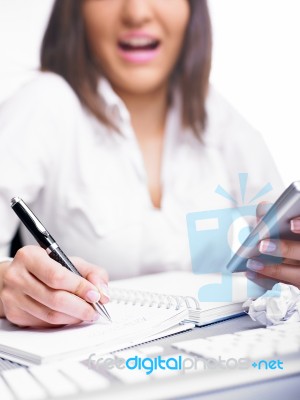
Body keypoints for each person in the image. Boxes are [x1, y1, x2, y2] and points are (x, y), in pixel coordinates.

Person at [0, 0, 299, 329]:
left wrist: (288, 267)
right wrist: (4, 287)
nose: (137, 12)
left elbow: (279, 256)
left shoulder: (224, 121)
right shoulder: (44, 104)